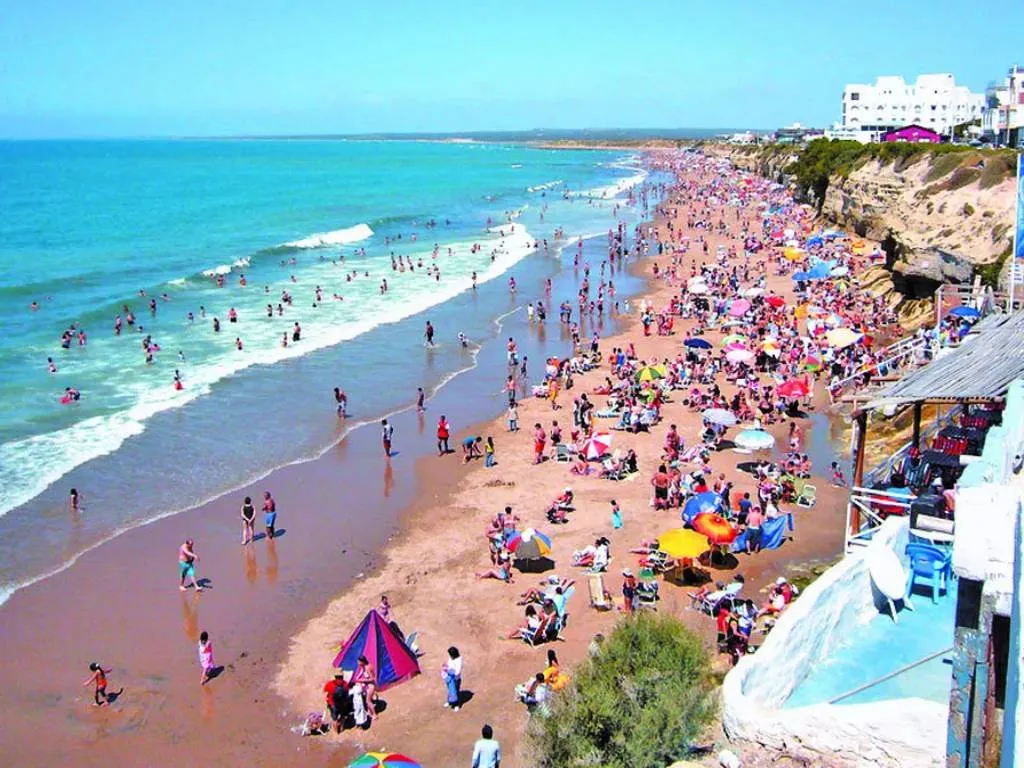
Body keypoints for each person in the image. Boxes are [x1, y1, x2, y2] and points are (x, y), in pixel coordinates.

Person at [352, 655, 377, 721]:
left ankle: (374, 714)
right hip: (367, 685)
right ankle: (369, 712)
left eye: (359, 662)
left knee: (368, 701)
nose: (358, 663)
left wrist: (362, 680)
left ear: (362, 661)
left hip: (371, 686)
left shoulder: (367, 668)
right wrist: (358, 677)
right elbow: (361, 672)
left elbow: (372, 679)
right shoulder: (363, 667)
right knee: (368, 699)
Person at [442, 646, 463, 711]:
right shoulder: (451, 658)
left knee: (455, 691)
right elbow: (448, 665)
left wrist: (449, 670)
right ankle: (449, 701)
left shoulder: (459, 660)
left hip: (456, 679)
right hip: (449, 678)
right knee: (450, 690)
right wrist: (446, 667)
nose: (449, 656)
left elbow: (457, 672)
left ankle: (457, 705)